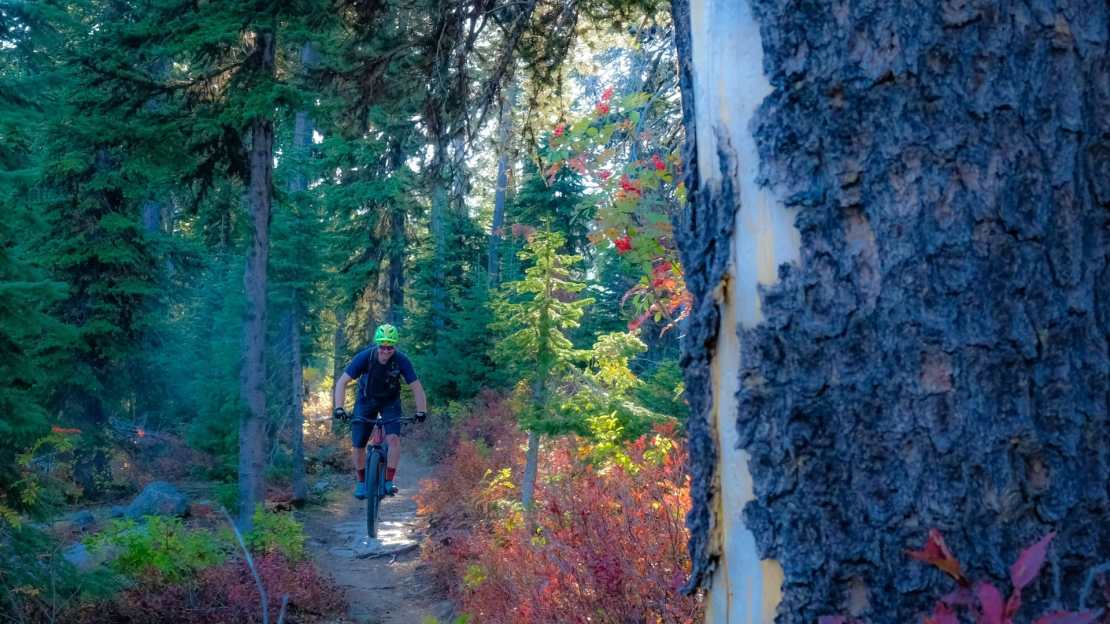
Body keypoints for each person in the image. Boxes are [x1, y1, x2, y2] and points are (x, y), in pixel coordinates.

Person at [332, 323, 427, 499]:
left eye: (389, 347)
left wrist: (422, 411)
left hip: (390, 402)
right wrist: (339, 407)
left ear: (394, 347)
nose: (385, 351)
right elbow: (342, 382)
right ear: (377, 345)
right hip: (366, 400)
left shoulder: (401, 360)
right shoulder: (365, 357)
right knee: (358, 444)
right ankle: (361, 483)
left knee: (393, 439)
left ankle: (388, 481)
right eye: (382, 346)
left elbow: (416, 387)